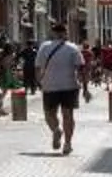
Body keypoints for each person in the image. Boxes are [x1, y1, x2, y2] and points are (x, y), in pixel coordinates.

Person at [33, 17, 86, 154]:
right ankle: (68, 144)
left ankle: (56, 130)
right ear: (65, 33)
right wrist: (85, 87)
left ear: (53, 33)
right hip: (70, 85)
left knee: (49, 114)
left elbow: (37, 67)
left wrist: (39, 82)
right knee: (68, 115)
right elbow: (81, 68)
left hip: (49, 85)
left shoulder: (44, 47)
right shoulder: (73, 48)